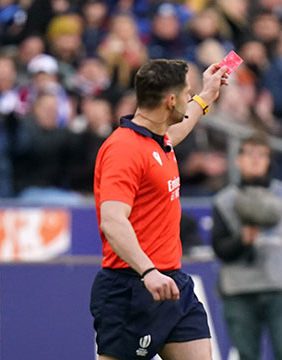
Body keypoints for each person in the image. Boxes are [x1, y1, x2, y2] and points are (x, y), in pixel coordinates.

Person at [90, 59, 228, 360]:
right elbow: (113, 221)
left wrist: (205, 97)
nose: (189, 99)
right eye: (187, 93)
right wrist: (148, 271)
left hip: (172, 284)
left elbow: (178, 130)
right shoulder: (123, 149)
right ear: (170, 101)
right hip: (131, 286)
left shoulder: (158, 141)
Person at [211, 133, 282, 360]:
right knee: (247, 355)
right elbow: (219, 248)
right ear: (238, 160)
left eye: (261, 154)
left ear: (269, 160)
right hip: (240, 291)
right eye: (249, 154)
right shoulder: (224, 200)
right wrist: (241, 240)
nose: (255, 160)